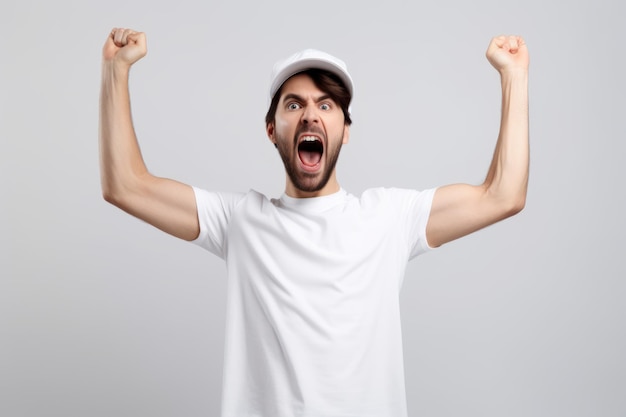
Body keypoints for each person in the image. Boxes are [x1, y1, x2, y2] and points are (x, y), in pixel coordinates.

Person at [99, 28, 529, 417]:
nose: (310, 115)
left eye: (326, 105)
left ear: (344, 130)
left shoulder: (390, 219)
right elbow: (126, 186)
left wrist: (514, 76)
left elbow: (502, 195)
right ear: (272, 129)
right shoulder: (240, 221)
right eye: (294, 104)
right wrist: (115, 71)